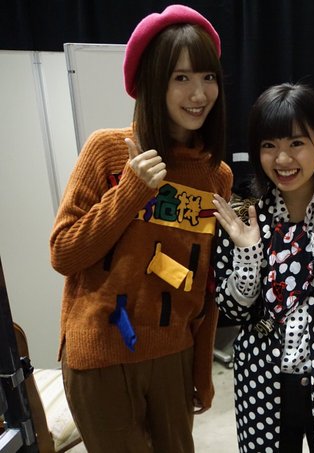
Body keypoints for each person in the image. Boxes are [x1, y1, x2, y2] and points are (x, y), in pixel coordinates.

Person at [49, 5, 232, 452]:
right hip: (102, 355)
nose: (199, 93)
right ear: (153, 81)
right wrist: (131, 190)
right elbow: (64, 253)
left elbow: (206, 283)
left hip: (173, 353)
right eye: (181, 77)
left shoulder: (217, 176)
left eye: (208, 76)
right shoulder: (109, 150)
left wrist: (201, 369)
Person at [212, 83, 314, 452]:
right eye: (269, 145)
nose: (283, 159)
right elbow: (231, 310)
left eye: (296, 143)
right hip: (261, 379)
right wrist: (248, 257)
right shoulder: (244, 212)